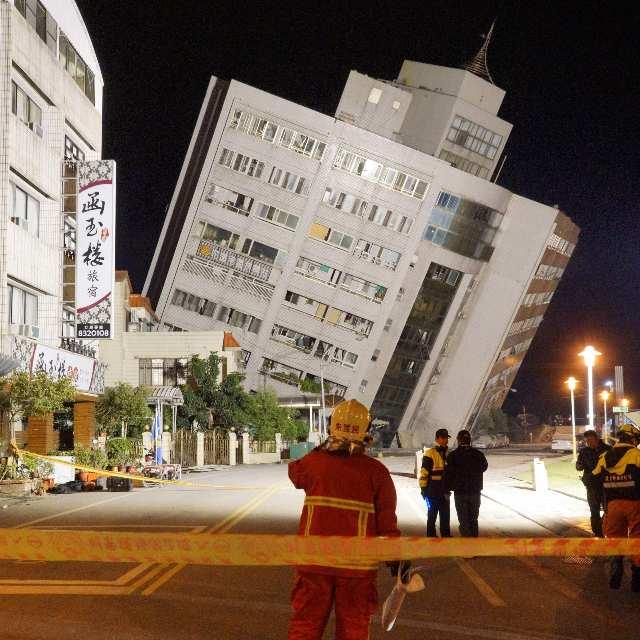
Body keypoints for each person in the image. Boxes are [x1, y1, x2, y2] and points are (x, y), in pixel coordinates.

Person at [287, 399, 406, 640]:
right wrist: (395, 559)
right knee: (354, 629)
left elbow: (295, 472)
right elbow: (387, 524)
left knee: (306, 627)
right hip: (357, 568)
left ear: (332, 427)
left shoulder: (313, 463)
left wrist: (324, 447)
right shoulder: (377, 472)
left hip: (314, 561)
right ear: (366, 432)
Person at [592, 423, 640, 591]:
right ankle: (637, 579)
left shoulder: (605, 456)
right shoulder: (636, 455)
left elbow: (594, 479)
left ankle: (615, 571)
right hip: (635, 505)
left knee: (615, 539)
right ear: (632, 439)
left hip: (612, 506)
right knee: (637, 542)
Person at [447, 429, 488, 537]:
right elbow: (484, 467)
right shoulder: (478, 455)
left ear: (458, 440)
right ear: (470, 440)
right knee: (473, 520)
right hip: (475, 492)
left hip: (460, 493)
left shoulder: (452, 456)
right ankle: (474, 544)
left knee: (463, 520)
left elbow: (449, 474)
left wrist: (447, 489)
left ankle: (467, 546)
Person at [575, 429, 610, 537]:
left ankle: (606, 529)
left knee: (608, 511)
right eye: (587, 441)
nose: (589, 443)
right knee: (594, 511)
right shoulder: (584, 451)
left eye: (590, 440)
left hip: (606, 485)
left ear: (596, 438)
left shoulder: (608, 449)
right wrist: (579, 465)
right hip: (591, 486)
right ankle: (598, 533)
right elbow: (578, 466)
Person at [419, 428, 451, 537]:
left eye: (447, 438)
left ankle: (446, 537)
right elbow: (424, 473)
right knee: (432, 517)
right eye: (445, 438)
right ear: (438, 438)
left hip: (444, 491)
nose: (447, 440)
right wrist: (423, 489)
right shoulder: (430, 453)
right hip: (432, 491)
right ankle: (431, 537)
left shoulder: (447, 453)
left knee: (445, 517)